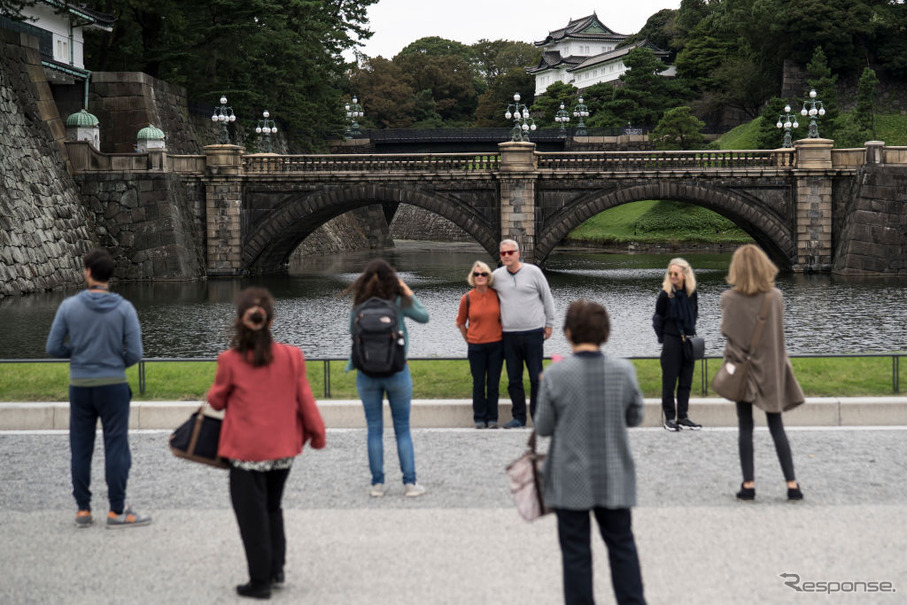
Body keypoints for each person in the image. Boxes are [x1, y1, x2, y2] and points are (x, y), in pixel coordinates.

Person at [207, 287, 326, 599]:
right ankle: (276, 569)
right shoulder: (292, 356)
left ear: (240, 321)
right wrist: (317, 434)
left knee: (252, 516)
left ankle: (260, 582)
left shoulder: (230, 360)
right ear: (271, 322)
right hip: (283, 452)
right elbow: (305, 400)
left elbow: (216, 402)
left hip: (246, 454)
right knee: (272, 508)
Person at [536, 299, 646, 605]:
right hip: (613, 473)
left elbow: (543, 427)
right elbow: (635, 417)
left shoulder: (556, 375)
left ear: (568, 333)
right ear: (606, 333)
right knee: (622, 547)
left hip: (570, 476)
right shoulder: (623, 371)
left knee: (576, 555)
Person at [45, 248, 149, 529]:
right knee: (116, 445)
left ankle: (83, 509)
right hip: (113, 385)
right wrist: (114, 362)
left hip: (80, 385)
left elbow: (53, 348)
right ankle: (117, 510)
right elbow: (136, 353)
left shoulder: (69, 307)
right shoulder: (124, 309)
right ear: (110, 276)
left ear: (88, 272)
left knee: (80, 447)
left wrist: (79, 356)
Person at [720, 244, 805, 501]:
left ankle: (748, 485)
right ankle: (792, 484)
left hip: (743, 370)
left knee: (745, 426)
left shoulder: (728, 299)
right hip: (771, 369)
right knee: (776, 425)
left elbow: (729, 337)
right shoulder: (775, 297)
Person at [345, 259, 430, 497]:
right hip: (397, 371)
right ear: (392, 278)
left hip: (367, 373)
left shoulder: (360, 304)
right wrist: (407, 291)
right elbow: (424, 317)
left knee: (374, 429)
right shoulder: (399, 301)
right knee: (402, 428)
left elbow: (352, 332)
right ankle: (410, 484)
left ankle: (377, 485)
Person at [492, 239, 556, 428]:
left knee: (537, 377)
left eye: (510, 252)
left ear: (518, 253)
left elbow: (547, 298)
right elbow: (482, 295)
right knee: (514, 379)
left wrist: (550, 323)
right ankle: (518, 417)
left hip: (533, 333)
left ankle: (538, 417)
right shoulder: (496, 276)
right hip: (509, 335)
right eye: (503, 253)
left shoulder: (533, 272)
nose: (506, 256)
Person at [652, 258, 702, 431]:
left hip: (687, 339)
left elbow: (695, 313)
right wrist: (664, 338)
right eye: (670, 273)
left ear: (685, 275)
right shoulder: (665, 294)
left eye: (676, 273)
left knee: (686, 380)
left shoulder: (691, 293)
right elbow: (657, 318)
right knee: (669, 380)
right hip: (671, 339)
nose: (672, 276)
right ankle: (670, 418)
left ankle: (683, 416)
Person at [456, 260, 503, 429]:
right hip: (476, 347)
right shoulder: (467, 298)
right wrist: (469, 340)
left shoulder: (497, 295)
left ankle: (492, 418)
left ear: (489, 276)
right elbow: (461, 323)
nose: (480, 277)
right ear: (473, 277)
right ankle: (479, 418)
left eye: (483, 274)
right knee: (478, 384)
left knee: (493, 384)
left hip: (496, 346)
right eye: (477, 274)